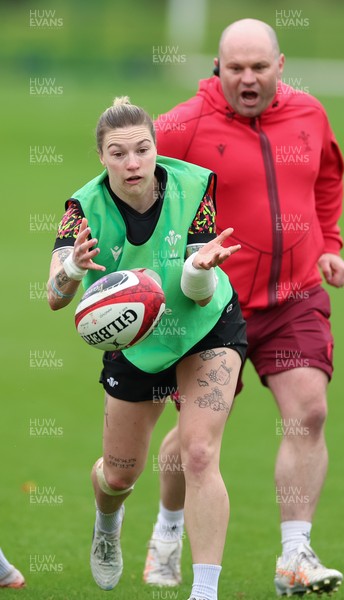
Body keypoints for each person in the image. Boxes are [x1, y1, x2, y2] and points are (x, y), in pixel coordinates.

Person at [143, 18, 344, 597]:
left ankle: (295, 556)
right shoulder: (183, 125)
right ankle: (168, 527)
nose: (248, 78)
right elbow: (133, 182)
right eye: (236, 68)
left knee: (308, 413)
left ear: (281, 66)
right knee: (195, 442)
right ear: (217, 67)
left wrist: (329, 243)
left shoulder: (309, 114)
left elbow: (328, 176)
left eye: (260, 67)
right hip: (214, 307)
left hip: (294, 296)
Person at [47, 96, 247, 600]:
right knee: (118, 474)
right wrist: (72, 268)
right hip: (135, 343)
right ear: (101, 157)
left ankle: (204, 592)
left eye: (142, 149)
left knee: (200, 452)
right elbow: (54, 297)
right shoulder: (82, 209)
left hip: (205, 325)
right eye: (118, 153)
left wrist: (201, 272)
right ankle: (109, 524)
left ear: (156, 147)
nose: (132, 163)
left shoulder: (193, 185)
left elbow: (198, 284)